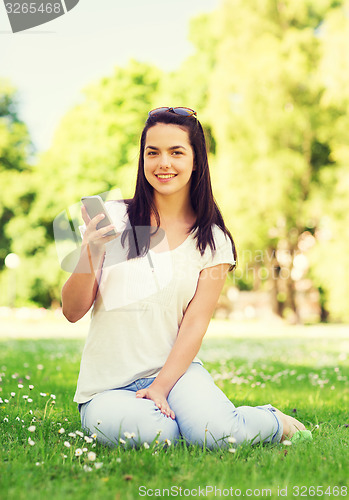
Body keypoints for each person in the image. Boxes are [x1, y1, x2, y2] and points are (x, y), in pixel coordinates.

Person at [61, 106, 307, 449]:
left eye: (176, 152)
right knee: (155, 436)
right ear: (142, 159)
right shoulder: (114, 217)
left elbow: (194, 325)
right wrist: (91, 251)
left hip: (177, 376)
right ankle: (178, 423)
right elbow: (71, 311)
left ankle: (271, 420)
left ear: (196, 161)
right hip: (108, 387)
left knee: (218, 436)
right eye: (153, 152)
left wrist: (161, 386)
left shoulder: (213, 240)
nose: (164, 163)